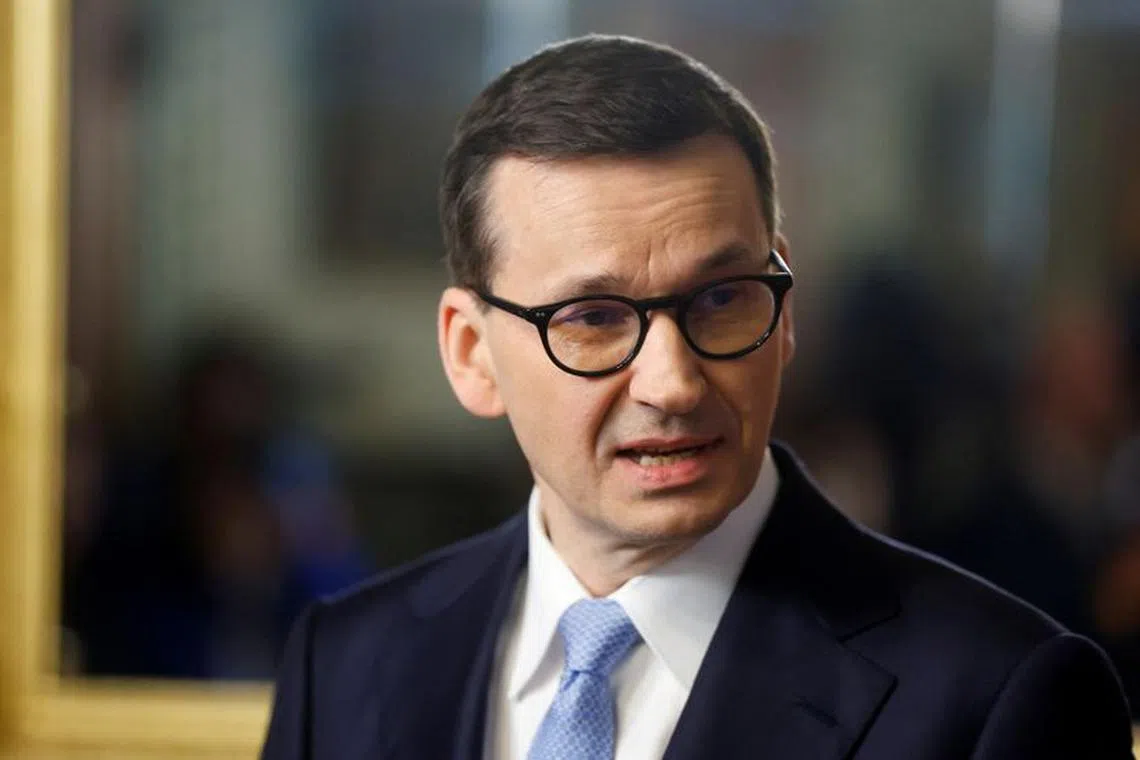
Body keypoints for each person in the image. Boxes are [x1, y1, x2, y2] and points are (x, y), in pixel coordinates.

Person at [261, 35, 1133, 759]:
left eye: (722, 298)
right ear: (471, 354)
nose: (675, 383)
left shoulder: (1000, 698)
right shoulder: (343, 663)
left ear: (783, 311)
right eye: (595, 318)